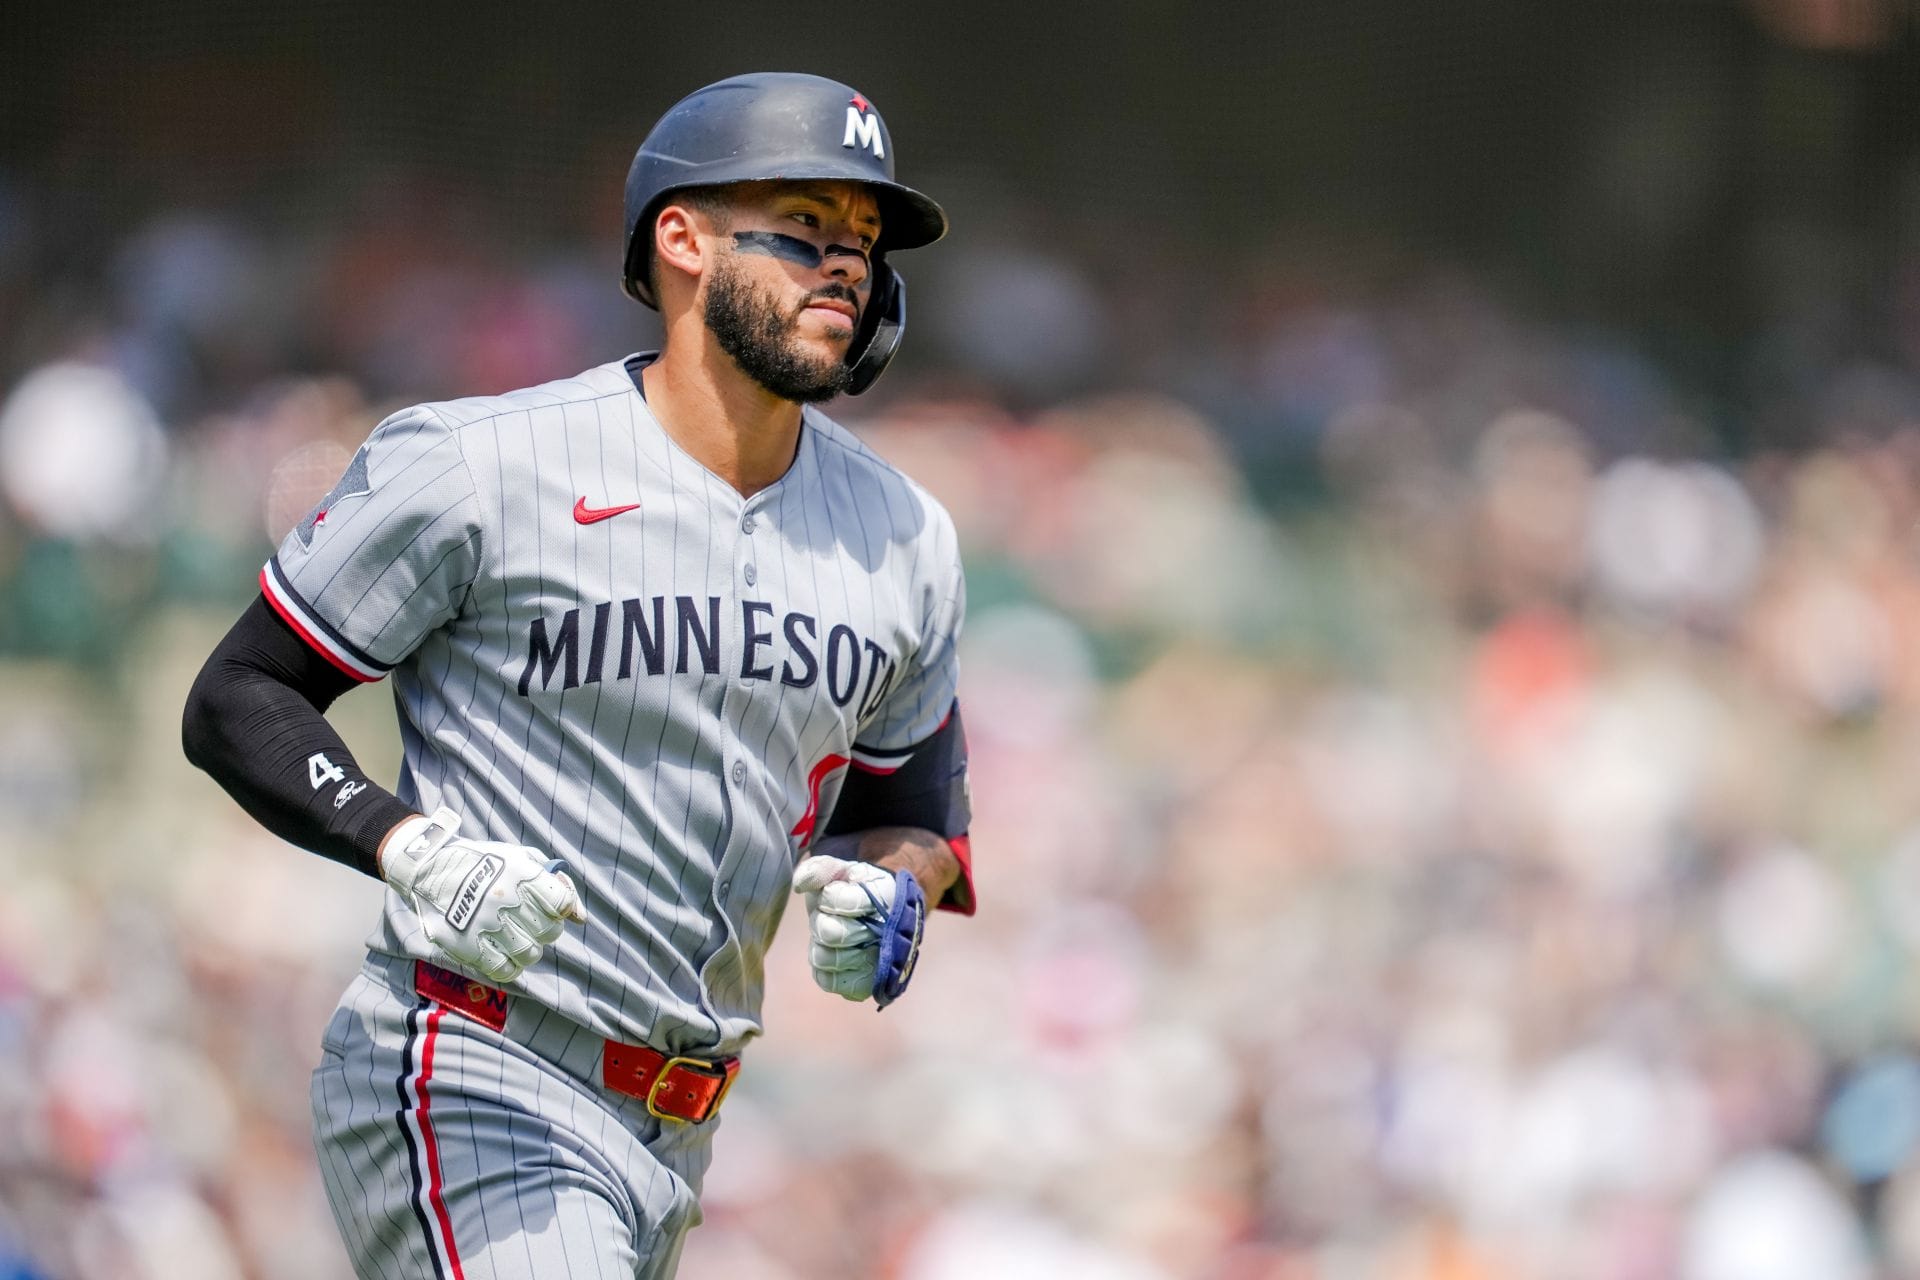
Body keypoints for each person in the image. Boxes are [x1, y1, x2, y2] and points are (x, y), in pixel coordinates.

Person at [181, 72, 974, 1279]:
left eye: (864, 241)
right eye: (806, 226)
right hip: (477, 1065)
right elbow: (239, 693)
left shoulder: (906, 534)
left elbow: (914, 810)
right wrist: (407, 844)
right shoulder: (482, 464)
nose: (846, 267)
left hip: (682, 1134)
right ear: (684, 239)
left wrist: (895, 892)